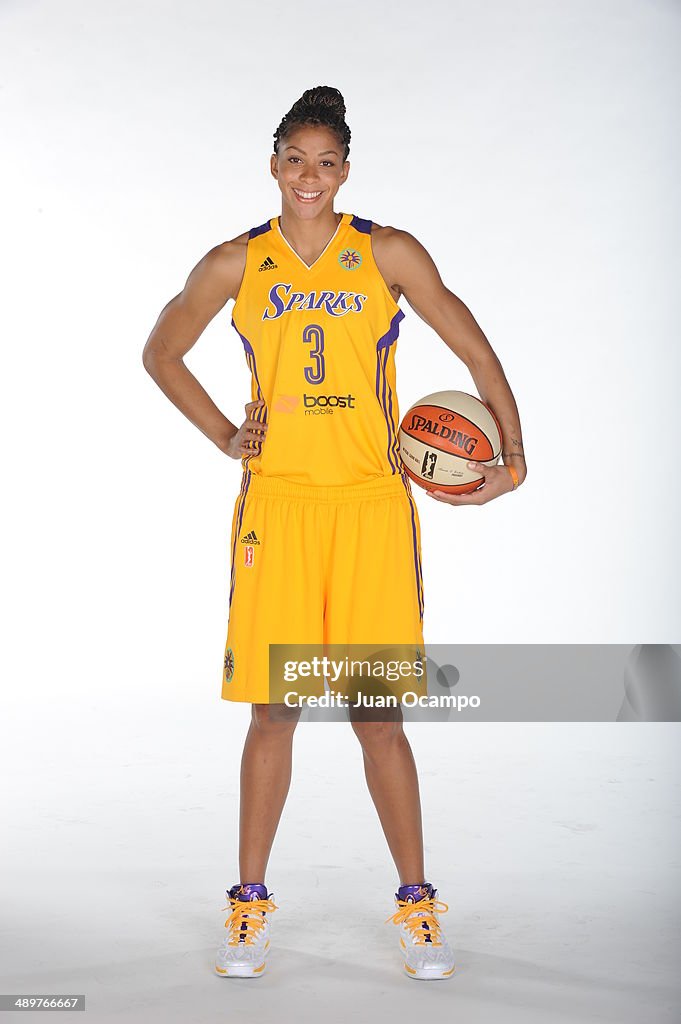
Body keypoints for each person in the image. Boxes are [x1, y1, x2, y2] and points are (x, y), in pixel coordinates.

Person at [142, 85, 527, 982]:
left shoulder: (384, 253)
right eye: (293, 159)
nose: (308, 176)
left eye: (325, 162)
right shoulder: (236, 264)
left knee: (374, 714)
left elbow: (476, 352)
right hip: (276, 509)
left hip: (369, 509)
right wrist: (223, 434)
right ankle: (247, 910)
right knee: (273, 711)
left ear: (345, 170)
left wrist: (512, 461)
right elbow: (161, 351)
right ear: (272, 165)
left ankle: (417, 905)